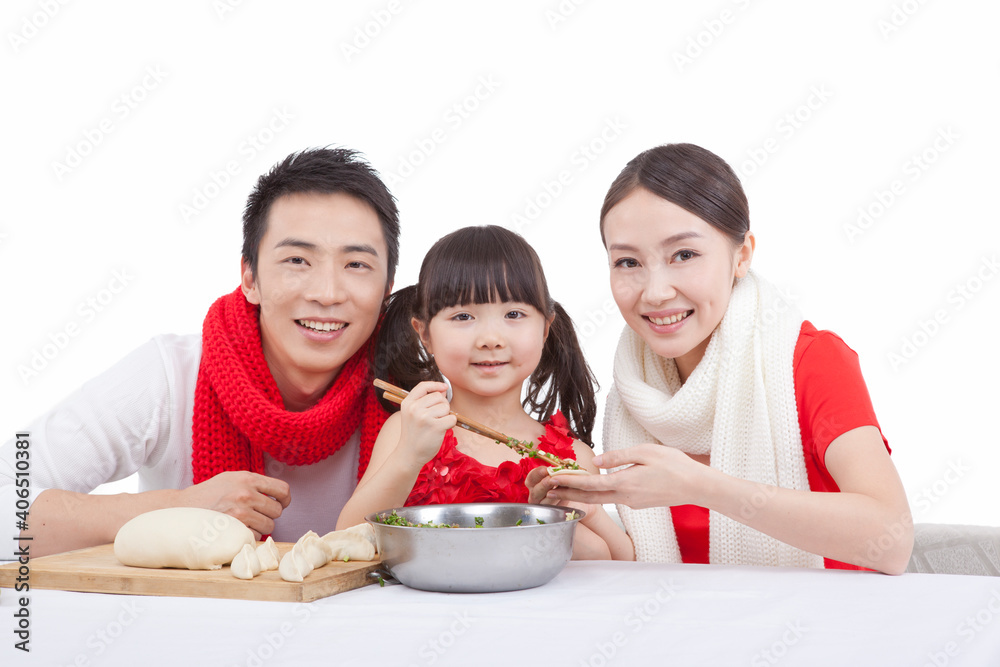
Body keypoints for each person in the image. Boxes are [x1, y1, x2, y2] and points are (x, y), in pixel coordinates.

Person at [528, 143, 913, 574]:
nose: (655, 292)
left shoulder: (809, 361)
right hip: (695, 630)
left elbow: (892, 541)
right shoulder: (638, 389)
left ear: (742, 254)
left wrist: (700, 486)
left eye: (685, 255)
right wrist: (589, 507)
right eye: (628, 262)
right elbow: (657, 565)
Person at [0, 147, 400, 558]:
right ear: (250, 278)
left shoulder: (415, 397)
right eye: (297, 260)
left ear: (387, 289)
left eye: (356, 265)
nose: (327, 293)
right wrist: (177, 508)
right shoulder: (171, 375)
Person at [336, 225, 634, 560]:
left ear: (545, 328)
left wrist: (577, 514)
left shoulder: (571, 459)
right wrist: (409, 456)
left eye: (513, 314)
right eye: (463, 316)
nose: (490, 338)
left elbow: (616, 567)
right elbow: (346, 540)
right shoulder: (408, 432)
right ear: (425, 335)